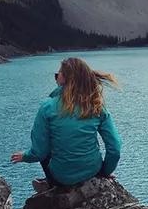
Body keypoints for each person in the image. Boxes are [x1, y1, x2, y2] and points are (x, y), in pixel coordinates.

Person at [11, 57, 122, 192]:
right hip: (93, 170)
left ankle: (51, 185)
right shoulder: (96, 106)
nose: (56, 77)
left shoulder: (47, 107)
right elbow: (115, 148)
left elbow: (39, 152)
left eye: (57, 75)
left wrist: (25, 156)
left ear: (64, 79)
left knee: (47, 150)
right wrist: (105, 171)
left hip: (62, 177)